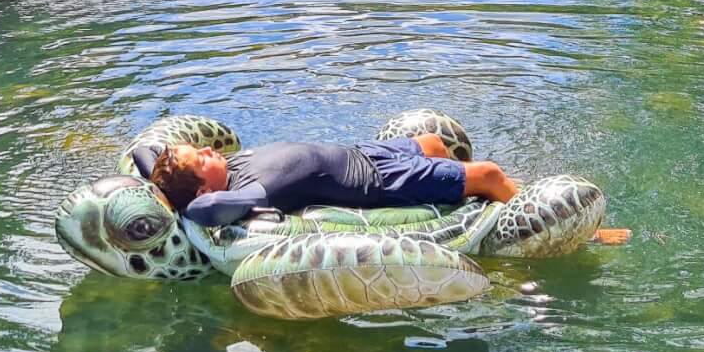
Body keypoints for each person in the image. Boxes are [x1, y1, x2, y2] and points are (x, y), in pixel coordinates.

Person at [148, 134, 631, 243]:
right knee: (484, 173)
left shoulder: (228, 168)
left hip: (366, 152)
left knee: (435, 142)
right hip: (378, 183)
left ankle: (496, 193)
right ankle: (590, 234)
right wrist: (178, 204)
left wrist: (161, 174)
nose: (210, 151)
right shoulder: (243, 192)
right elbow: (204, 211)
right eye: (201, 159)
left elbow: (148, 155)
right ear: (201, 185)